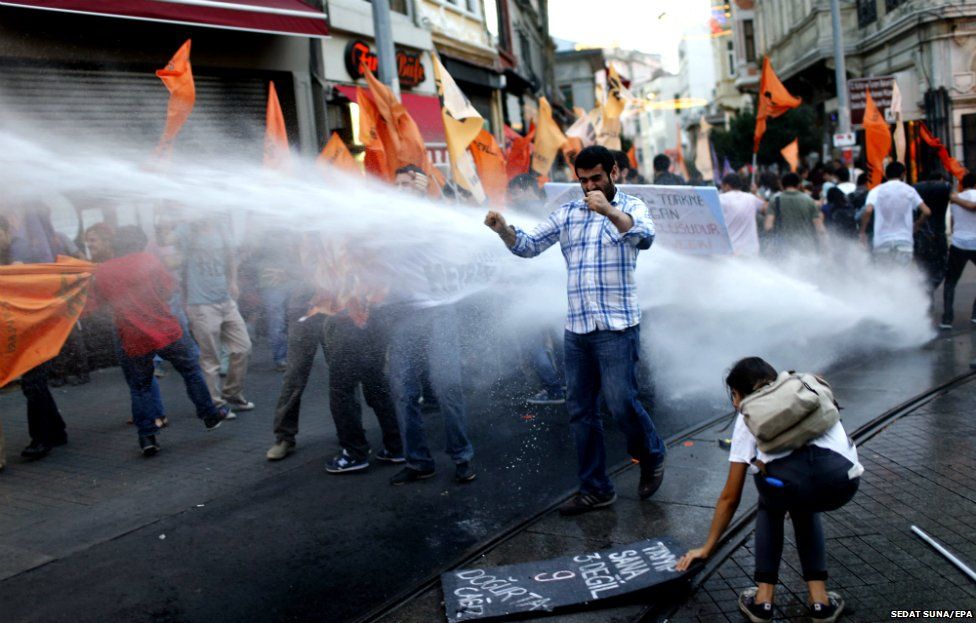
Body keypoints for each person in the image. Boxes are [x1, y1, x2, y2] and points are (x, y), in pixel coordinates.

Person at [484, 145, 666, 515]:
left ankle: (651, 453)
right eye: (582, 180)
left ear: (613, 172)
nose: (588, 186)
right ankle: (596, 488)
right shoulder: (567, 213)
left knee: (620, 403)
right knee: (581, 410)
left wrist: (610, 211)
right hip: (578, 330)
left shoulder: (632, 206)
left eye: (595, 178)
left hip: (617, 327)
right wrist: (504, 230)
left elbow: (645, 236)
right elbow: (530, 246)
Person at [676, 357, 862, 623]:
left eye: (734, 396)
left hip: (795, 486)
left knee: (773, 499)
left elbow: (730, 497)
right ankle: (820, 601)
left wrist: (707, 547)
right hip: (844, 481)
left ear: (737, 395)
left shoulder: (750, 415)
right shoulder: (804, 389)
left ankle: (763, 600)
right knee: (802, 499)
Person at [90, 226, 230, 454]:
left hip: (133, 337)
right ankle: (209, 415)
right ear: (140, 242)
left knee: (140, 387)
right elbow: (168, 290)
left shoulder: (103, 271)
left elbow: (101, 305)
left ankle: (147, 438)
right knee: (191, 369)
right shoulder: (148, 260)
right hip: (166, 330)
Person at [386, 164, 476, 486]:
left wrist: (425, 197)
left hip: (439, 313)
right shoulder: (385, 218)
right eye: (397, 183)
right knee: (402, 392)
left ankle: (463, 457)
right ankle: (418, 461)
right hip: (403, 317)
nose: (401, 188)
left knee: (447, 386)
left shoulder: (432, 215)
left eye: (408, 183)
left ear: (421, 185)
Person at [3, 208, 69, 460]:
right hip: (30, 326)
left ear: (5, 230)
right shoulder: (12, 246)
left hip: (38, 327)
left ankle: (41, 440)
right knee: (36, 382)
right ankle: (58, 431)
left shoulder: (18, 247)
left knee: (33, 383)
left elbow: (17, 278)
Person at [176, 215, 254, 414]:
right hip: (200, 305)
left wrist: (233, 281)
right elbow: (170, 253)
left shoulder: (221, 228)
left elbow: (230, 258)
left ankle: (232, 392)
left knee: (243, 348)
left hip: (226, 300)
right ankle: (216, 404)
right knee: (211, 359)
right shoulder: (185, 230)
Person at [859, 162, 931, 265]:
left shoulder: (876, 191)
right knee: (901, 275)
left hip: (882, 242)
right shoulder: (909, 190)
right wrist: (917, 225)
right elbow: (927, 211)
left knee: (884, 276)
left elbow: (868, 210)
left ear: (886, 174)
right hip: (904, 240)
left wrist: (862, 231)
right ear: (903, 174)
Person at [940, 172, 976, 329]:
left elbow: (954, 223)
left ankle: (947, 319)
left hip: (958, 243)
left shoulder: (955, 200)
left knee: (950, 282)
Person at [764, 172, 826, 255]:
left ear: (782, 185)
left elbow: (768, 227)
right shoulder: (809, 201)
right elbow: (820, 229)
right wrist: (825, 250)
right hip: (806, 248)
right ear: (799, 185)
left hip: (782, 250)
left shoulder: (775, 200)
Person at [915, 171, 952, 293]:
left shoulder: (916, 188)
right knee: (940, 268)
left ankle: (925, 296)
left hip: (920, 235)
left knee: (922, 268)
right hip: (938, 234)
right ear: (941, 178)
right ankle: (928, 291)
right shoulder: (944, 188)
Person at [719, 173, 766, 256]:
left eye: (722, 186)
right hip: (751, 250)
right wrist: (756, 193)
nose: (721, 188)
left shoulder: (721, 198)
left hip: (731, 250)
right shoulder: (751, 198)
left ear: (727, 186)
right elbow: (765, 208)